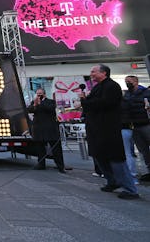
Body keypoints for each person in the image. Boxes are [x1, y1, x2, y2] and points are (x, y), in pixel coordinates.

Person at [79, 64, 139, 199]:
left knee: (116, 159)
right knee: (100, 156)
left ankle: (130, 189)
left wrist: (85, 101)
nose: (91, 74)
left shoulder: (111, 87)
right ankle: (112, 181)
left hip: (108, 129)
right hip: (96, 128)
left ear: (103, 73)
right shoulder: (98, 87)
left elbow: (103, 103)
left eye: (94, 71)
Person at [27, 88, 66, 173]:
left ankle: (60, 165)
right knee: (40, 148)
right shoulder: (34, 102)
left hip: (50, 129)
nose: (39, 95)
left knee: (55, 148)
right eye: (37, 94)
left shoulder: (50, 101)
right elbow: (29, 110)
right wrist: (35, 105)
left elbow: (50, 109)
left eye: (40, 94)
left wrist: (40, 104)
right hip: (39, 129)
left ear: (44, 94)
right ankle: (41, 164)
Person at [120, 75, 148, 182]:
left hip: (145, 123)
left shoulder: (145, 92)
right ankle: (147, 171)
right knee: (142, 150)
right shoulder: (127, 94)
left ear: (136, 81)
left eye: (129, 81)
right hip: (134, 125)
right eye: (126, 81)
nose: (127, 83)